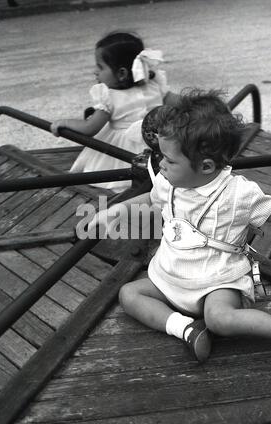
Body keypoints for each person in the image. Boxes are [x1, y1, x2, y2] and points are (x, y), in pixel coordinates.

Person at [86, 88, 271, 363]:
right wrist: (115, 211)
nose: (160, 164)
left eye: (170, 160)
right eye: (160, 156)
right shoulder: (168, 183)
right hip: (170, 277)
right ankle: (185, 328)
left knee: (220, 318)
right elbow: (150, 199)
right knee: (129, 294)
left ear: (206, 166)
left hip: (216, 281)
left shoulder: (238, 194)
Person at [51, 31, 177, 193]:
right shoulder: (154, 84)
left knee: (121, 179)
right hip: (157, 143)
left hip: (123, 150)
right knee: (161, 173)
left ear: (122, 73)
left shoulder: (109, 96)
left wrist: (65, 123)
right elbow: (181, 103)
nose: (95, 71)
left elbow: (90, 128)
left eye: (100, 66)